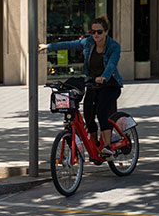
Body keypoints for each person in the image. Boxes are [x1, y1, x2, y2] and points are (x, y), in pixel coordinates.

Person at [39, 15, 123, 155]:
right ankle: (95, 147)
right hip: (93, 83)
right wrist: (48, 47)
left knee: (102, 110)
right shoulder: (88, 43)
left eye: (99, 32)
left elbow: (111, 65)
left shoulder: (113, 47)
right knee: (88, 114)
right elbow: (69, 44)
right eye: (93, 31)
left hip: (110, 85)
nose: (96, 35)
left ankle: (107, 146)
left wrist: (103, 77)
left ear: (106, 32)